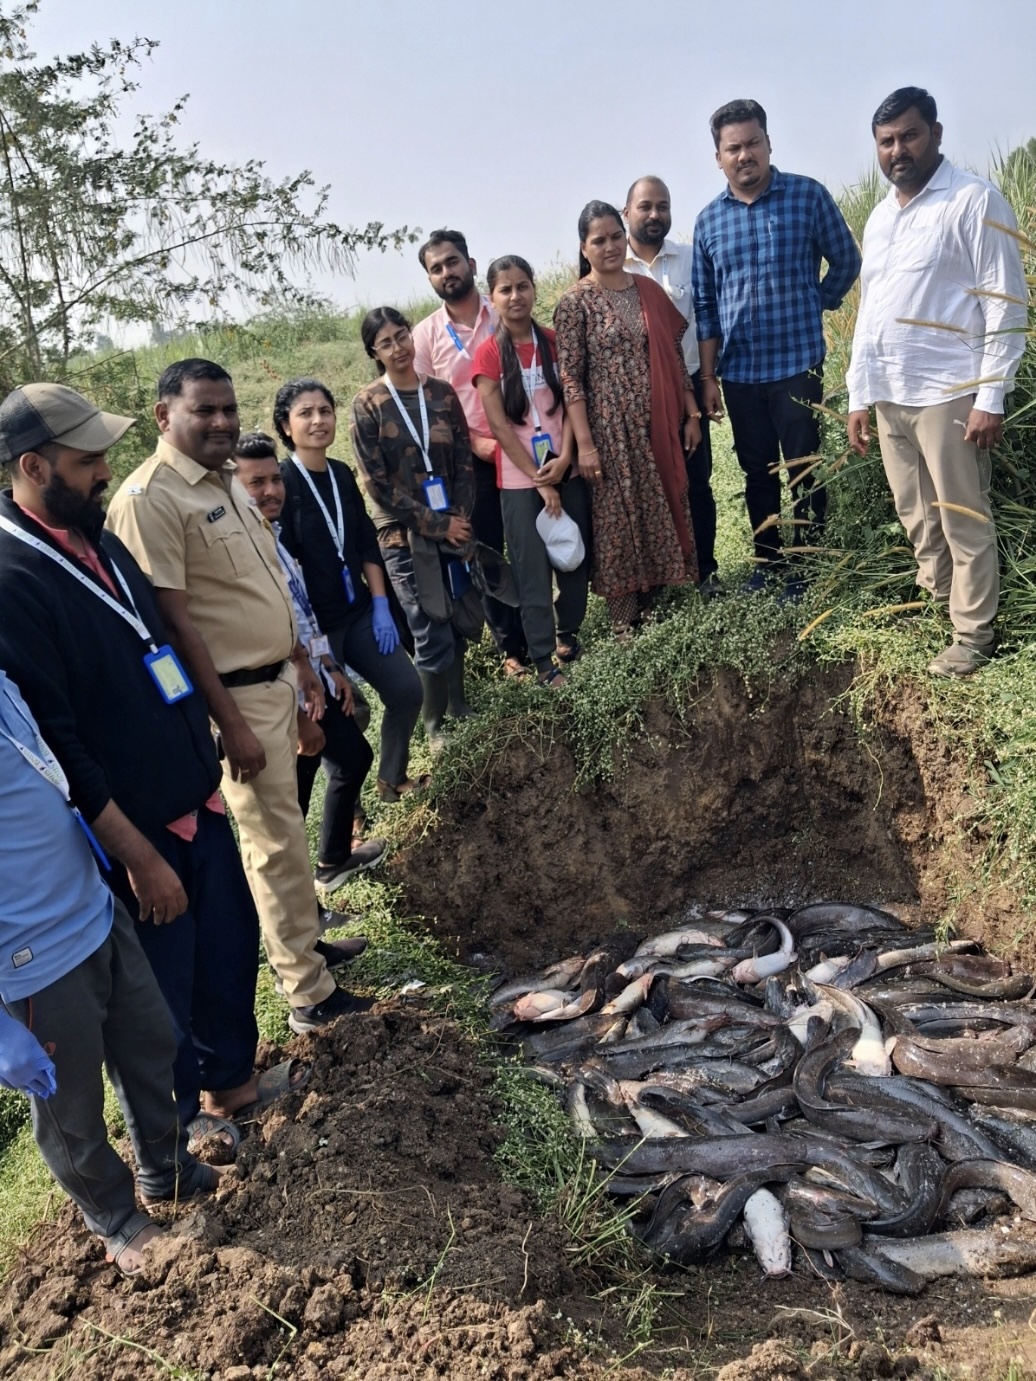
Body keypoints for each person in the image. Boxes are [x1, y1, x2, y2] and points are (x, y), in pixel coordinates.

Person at [0, 382, 272, 1156]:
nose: (103, 473)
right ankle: (181, 1129)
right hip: (137, 830)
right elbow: (61, 751)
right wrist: (141, 857)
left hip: (196, 797)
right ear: (31, 465)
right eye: (87, 461)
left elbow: (157, 642)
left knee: (226, 948)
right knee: (160, 995)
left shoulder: (97, 534)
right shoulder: (13, 580)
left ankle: (236, 1086)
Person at [106, 359, 372, 1035]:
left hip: (279, 682)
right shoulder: (150, 500)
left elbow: (266, 589)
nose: (222, 422)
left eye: (228, 409)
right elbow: (171, 624)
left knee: (287, 832)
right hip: (236, 702)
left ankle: (305, 942)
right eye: (206, 411)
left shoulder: (227, 480)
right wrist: (229, 723)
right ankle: (309, 994)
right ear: (166, 416)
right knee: (274, 846)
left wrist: (304, 675)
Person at [0, 669, 223, 1277]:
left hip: (94, 912)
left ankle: (166, 1167)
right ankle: (117, 1220)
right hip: (33, 959)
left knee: (151, 1041)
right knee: (71, 1110)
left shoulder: (6, 686)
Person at [847, 87, 1029, 678]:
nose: (898, 150)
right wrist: (859, 395)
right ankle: (942, 607)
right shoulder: (879, 218)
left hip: (950, 392)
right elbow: (870, 310)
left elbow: (1005, 306)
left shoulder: (975, 201)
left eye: (909, 135)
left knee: (961, 517)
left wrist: (990, 396)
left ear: (937, 134)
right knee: (919, 517)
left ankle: (974, 636)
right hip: (891, 395)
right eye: (886, 141)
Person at [692, 99, 861, 591]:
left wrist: (817, 304)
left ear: (768, 144)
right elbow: (705, 306)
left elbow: (846, 262)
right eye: (733, 148)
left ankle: (808, 566)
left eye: (753, 143)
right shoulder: (708, 222)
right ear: (718, 157)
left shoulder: (806, 197)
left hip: (797, 364)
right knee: (757, 472)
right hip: (740, 373)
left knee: (804, 468)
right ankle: (769, 564)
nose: (745, 155)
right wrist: (708, 377)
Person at [233, 430, 385, 887]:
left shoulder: (272, 537)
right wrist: (300, 703)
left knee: (352, 756)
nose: (271, 491)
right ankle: (304, 907)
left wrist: (330, 667)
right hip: (282, 692)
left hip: (313, 678)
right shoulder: (241, 551)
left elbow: (301, 612)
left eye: (274, 480)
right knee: (291, 804)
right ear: (232, 487)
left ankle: (331, 863)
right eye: (255, 483)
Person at [272, 377, 426, 804]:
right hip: (315, 629)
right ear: (286, 426)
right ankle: (349, 810)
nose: (318, 420)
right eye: (305, 413)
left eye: (325, 410)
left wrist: (379, 604)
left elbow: (363, 543)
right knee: (346, 715)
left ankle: (392, 776)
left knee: (406, 690)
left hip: (357, 613)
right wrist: (306, 647)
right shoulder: (282, 483)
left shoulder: (340, 474)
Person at [553, 200, 700, 633]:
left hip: (656, 420)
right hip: (608, 431)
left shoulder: (647, 289)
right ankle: (623, 619)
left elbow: (673, 355)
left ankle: (651, 604)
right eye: (599, 240)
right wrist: (586, 445)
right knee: (617, 519)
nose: (611, 246)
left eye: (616, 236)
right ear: (584, 247)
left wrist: (690, 411)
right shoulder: (574, 303)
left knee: (656, 504)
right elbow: (571, 380)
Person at [351, 306, 476, 749]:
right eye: (386, 342)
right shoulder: (368, 405)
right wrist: (436, 525)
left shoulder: (441, 392)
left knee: (458, 614)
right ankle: (435, 723)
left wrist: (458, 518)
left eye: (402, 336)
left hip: (453, 526)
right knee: (427, 624)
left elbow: (462, 459)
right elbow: (377, 485)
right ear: (374, 352)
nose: (398, 347)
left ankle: (461, 706)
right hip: (404, 537)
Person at [412, 228, 529, 680]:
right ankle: (512, 650)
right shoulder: (425, 336)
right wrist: (475, 443)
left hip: (521, 448)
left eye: (452, 262)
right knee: (486, 553)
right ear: (430, 279)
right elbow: (427, 405)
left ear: (471, 264)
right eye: (436, 268)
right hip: (468, 462)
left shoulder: (504, 310)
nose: (447, 272)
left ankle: (546, 629)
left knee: (530, 543)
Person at [473, 254, 591, 685]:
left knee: (575, 557)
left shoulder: (556, 342)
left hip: (566, 466)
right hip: (520, 481)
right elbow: (499, 427)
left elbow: (576, 403)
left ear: (534, 289)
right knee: (532, 570)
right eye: (505, 289)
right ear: (493, 298)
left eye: (522, 285)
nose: (515, 295)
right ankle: (543, 661)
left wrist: (564, 460)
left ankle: (568, 635)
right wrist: (541, 480)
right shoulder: (487, 355)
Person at [624, 175, 719, 594]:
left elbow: (704, 322)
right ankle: (658, 578)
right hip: (633, 398)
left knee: (695, 481)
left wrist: (705, 384)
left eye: (662, 206)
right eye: (645, 206)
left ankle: (705, 571)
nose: (654, 214)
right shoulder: (611, 264)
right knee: (648, 486)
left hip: (687, 390)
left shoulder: (688, 259)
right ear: (626, 213)